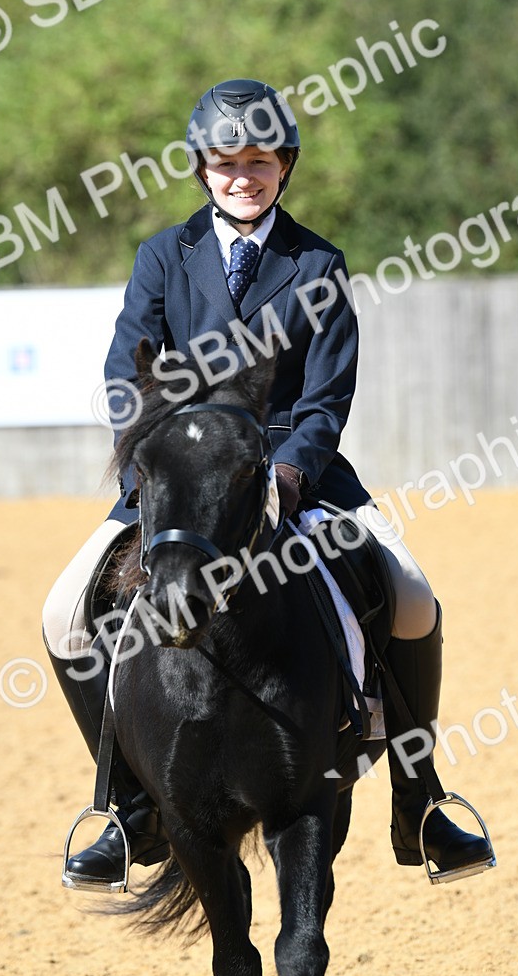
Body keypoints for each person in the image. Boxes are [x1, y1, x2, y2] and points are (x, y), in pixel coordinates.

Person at [42, 78, 494, 889]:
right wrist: (153, 459)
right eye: (226, 162)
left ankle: (421, 801)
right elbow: (127, 374)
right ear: (203, 169)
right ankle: (125, 810)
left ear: (284, 166)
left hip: (297, 473)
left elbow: (326, 396)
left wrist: (286, 475)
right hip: (181, 477)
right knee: (62, 613)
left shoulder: (316, 262)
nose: (242, 176)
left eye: (259, 160)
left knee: (414, 596)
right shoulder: (162, 258)